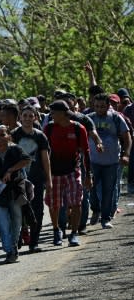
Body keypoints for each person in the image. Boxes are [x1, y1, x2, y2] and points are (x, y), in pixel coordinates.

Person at [44, 100, 92, 247]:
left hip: (73, 171)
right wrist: (46, 175)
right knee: (54, 204)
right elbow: (43, 153)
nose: (51, 115)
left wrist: (89, 175)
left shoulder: (78, 128)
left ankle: (74, 233)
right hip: (54, 172)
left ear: (62, 113)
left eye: (53, 112)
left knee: (77, 202)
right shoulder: (49, 128)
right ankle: (56, 230)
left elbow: (86, 152)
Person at [0, 125, 31, 263]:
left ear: (9, 136)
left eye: (3, 135)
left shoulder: (15, 149)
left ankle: (13, 247)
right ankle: (9, 249)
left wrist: (10, 170)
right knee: (3, 222)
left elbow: (26, 160)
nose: (0, 138)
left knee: (16, 219)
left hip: (15, 190)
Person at [87, 93, 131, 229]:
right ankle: (95, 209)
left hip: (112, 162)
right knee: (92, 189)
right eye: (96, 106)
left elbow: (127, 137)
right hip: (93, 161)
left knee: (108, 191)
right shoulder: (89, 119)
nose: (99, 109)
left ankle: (105, 219)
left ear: (108, 106)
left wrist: (126, 155)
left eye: (102, 106)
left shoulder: (116, 118)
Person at [11, 105, 52, 252]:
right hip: (18, 180)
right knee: (18, 210)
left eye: (30, 116)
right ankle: (19, 238)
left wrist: (49, 179)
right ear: (20, 117)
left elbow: (45, 159)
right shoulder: (14, 135)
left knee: (37, 210)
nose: (27, 118)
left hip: (37, 179)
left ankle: (34, 242)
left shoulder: (40, 136)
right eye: (25, 115)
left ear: (35, 117)